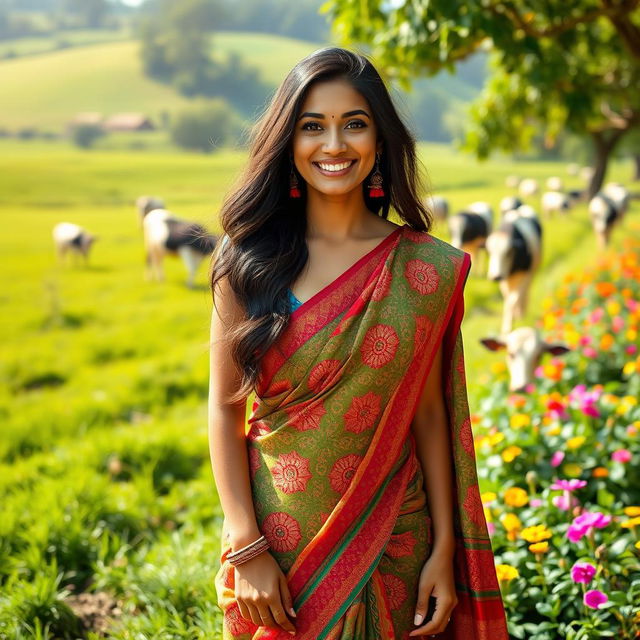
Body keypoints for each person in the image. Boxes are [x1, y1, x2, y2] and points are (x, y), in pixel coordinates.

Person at [208, 47, 508, 639]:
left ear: (379, 139)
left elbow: (427, 415)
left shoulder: (425, 269)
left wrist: (443, 548)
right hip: (279, 548)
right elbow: (223, 406)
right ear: (286, 142)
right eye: (312, 126)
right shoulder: (246, 261)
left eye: (355, 123)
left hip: (397, 537)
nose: (334, 144)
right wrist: (246, 547)